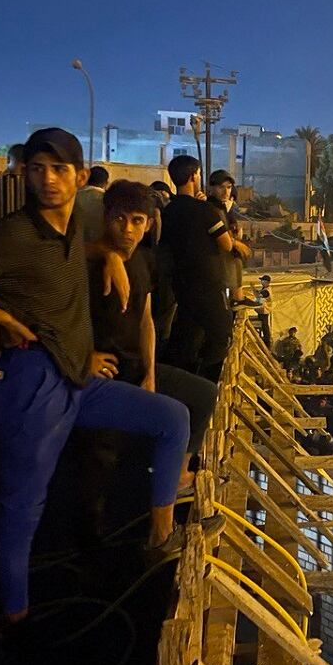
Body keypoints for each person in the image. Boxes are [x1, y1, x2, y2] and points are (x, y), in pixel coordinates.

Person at [0, 128, 199, 639]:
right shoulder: (14, 233)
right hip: (31, 382)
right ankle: (15, 617)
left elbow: (72, 254)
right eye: (37, 169)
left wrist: (107, 257)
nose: (48, 179)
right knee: (24, 503)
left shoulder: (71, 229)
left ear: (80, 178)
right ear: (25, 174)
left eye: (59, 169)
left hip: (76, 376)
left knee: (173, 418)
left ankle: (161, 535)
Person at [87, 180, 218, 492]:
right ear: (107, 217)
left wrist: (150, 374)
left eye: (137, 220)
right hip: (104, 373)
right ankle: (160, 514)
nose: (127, 230)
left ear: (148, 224)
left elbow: (145, 320)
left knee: (205, 395)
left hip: (135, 367)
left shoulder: (145, 261)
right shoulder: (89, 261)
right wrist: (83, 358)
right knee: (173, 417)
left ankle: (178, 473)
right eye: (119, 219)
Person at [161, 155, 245, 382]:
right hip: (206, 284)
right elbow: (226, 244)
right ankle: (206, 382)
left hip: (180, 284)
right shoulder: (205, 210)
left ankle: (180, 379)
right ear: (193, 176)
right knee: (221, 333)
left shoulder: (167, 212)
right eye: (198, 174)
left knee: (188, 333)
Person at [76, 165, 109, 242]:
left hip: (77, 246)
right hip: (100, 246)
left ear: (86, 180)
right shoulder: (109, 201)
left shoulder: (74, 197)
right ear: (106, 183)